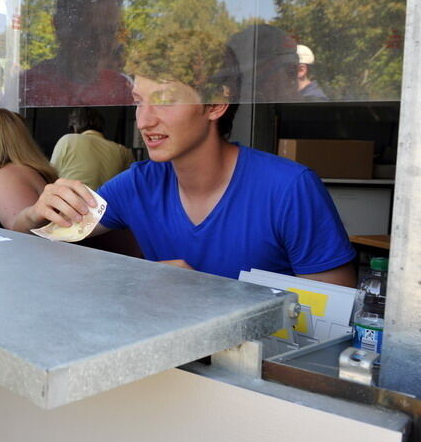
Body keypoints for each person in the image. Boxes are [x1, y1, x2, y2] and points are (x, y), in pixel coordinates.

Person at [29, 28, 357, 286]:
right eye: (139, 101)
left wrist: (204, 296)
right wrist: (34, 212)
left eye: (166, 100)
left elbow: (334, 322)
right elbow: (35, 245)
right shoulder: (140, 184)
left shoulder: (289, 189)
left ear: (215, 104)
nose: (144, 121)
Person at [22, 0, 132, 107]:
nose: (100, 44)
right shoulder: (28, 88)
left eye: (109, 32)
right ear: (59, 27)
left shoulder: (121, 88)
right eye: (88, 31)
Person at [50, 107, 134, 188]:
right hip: (109, 202)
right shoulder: (123, 151)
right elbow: (132, 185)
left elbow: (49, 178)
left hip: (72, 201)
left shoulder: (67, 141)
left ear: (74, 126)